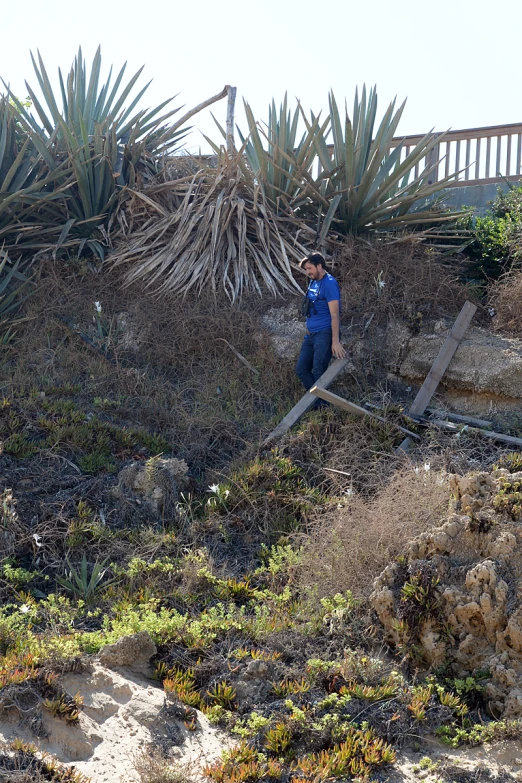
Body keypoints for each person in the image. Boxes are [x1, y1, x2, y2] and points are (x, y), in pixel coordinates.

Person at [296, 252, 347, 392]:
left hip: (325, 333)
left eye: (309, 268)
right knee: (301, 369)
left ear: (319, 266)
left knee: (319, 370)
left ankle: (322, 409)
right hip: (312, 334)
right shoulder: (313, 281)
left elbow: (335, 314)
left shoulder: (329, 284)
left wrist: (335, 341)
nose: (308, 272)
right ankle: (319, 404)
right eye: (306, 269)